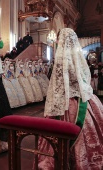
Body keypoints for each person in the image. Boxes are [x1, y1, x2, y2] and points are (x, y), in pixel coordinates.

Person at [38, 28, 103, 170]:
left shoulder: (62, 59)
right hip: (85, 99)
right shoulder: (79, 58)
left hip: (68, 102)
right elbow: (85, 78)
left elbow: (58, 83)